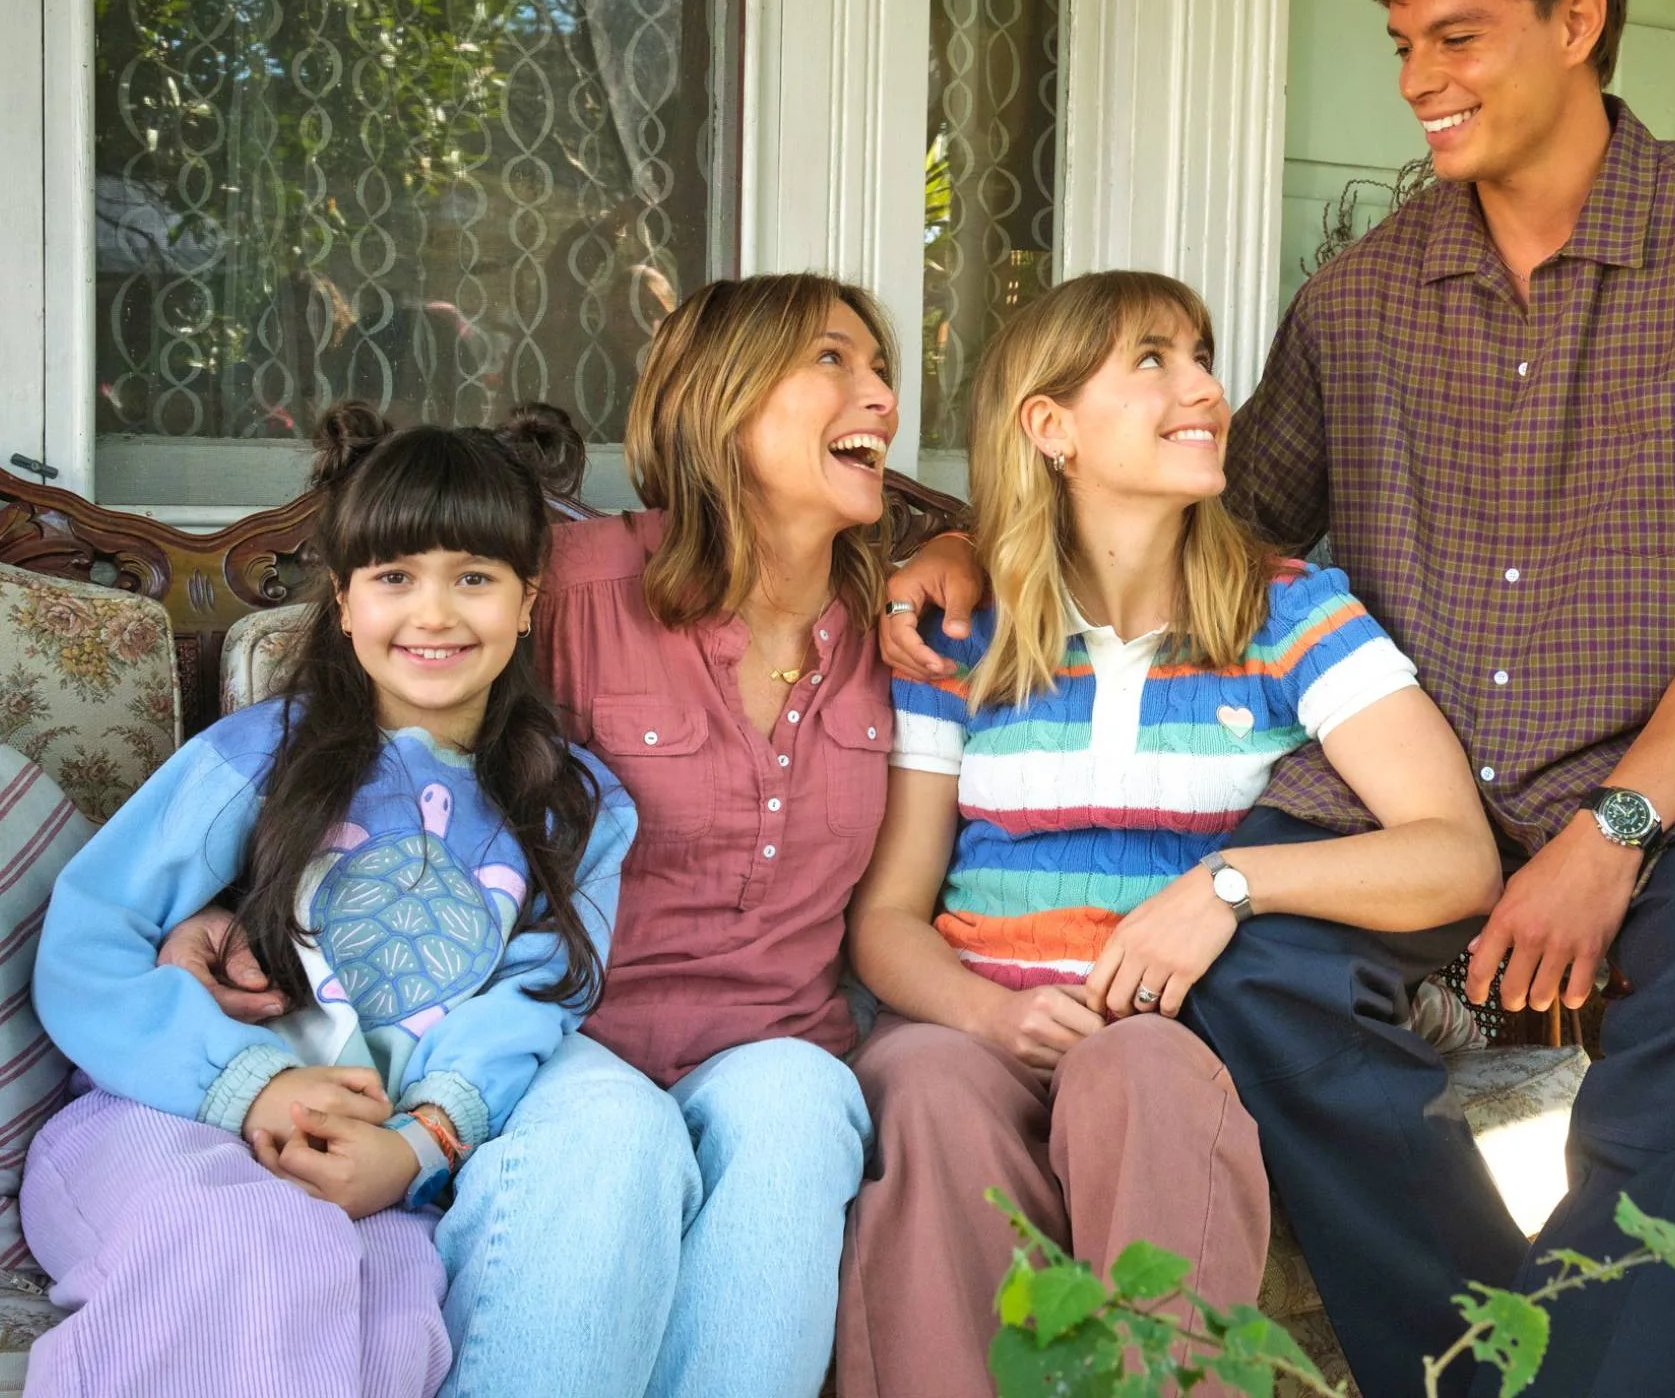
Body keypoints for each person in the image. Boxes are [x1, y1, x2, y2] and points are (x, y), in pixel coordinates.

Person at [884, 0, 1675, 1398]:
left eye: (1460, 38)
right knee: (1245, 986)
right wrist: (978, 525)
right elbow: (1224, 521)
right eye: (1402, 45)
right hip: (1428, 793)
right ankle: (1509, 1367)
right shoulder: (1359, 301)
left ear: (1578, 23)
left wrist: (1613, 830)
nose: (1420, 82)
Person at [164, 273, 900, 1398]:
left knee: (803, 1108)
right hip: (556, 1030)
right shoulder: (572, 586)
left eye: (882, 367)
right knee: (615, 1140)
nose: (884, 395)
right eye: (835, 361)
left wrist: (953, 568)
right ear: (720, 402)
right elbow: (385, 729)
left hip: (772, 1038)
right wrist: (236, 906)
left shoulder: (908, 630)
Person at [840, 271, 1503, 1398]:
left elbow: (1455, 854)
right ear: (1049, 427)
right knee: (925, 1082)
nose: (1205, 386)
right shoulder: (965, 635)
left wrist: (1231, 883)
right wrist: (989, 1014)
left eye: (1200, 355)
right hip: (977, 1019)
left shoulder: (1288, 612)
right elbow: (890, 917)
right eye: (1152, 360)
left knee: (1142, 1071)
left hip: (1165, 1039)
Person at [21, 404, 634, 1398]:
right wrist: (250, 1084)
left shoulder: (577, 809)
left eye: (473, 578)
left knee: (395, 1301)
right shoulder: (259, 754)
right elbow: (94, 936)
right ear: (345, 600)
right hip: (169, 1126)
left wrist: (416, 1143)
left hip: (377, 1172)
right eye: (395, 578)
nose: (434, 614)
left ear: (527, 601)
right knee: (263, 1244)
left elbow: (534, 1002)